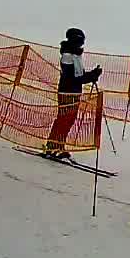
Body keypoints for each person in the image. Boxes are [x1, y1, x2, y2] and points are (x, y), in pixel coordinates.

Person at [43, 27, 101, 159]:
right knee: (64, 119)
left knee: (69, 120)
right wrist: (91, 76)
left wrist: (92, 74)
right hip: (67, 91)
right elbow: (72, 78)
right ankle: (52, 147)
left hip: (74, 92)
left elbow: (79, 75)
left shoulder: (76, 54)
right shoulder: (67, 55)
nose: (81, 43)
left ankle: (59, 145)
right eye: (79, 40)